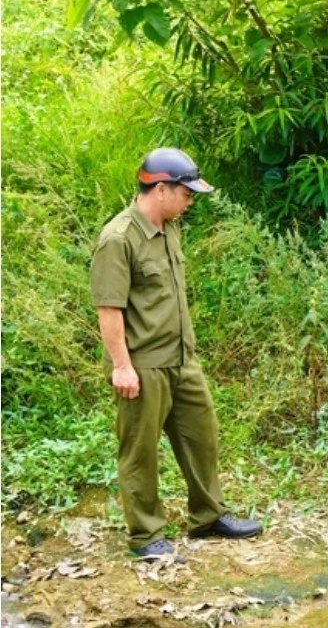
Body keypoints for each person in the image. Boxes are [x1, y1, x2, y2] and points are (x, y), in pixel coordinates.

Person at [90, 148, 261, 559]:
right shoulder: (118, 239)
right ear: (161, 188)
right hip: (143, 365)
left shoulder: (169, 227)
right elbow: (109, 309)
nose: (191, 201)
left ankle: (208, 516)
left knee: (201, 435)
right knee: (140, 451)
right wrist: (122, 367)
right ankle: (146, 535)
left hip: (182, 359)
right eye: (187, 193)